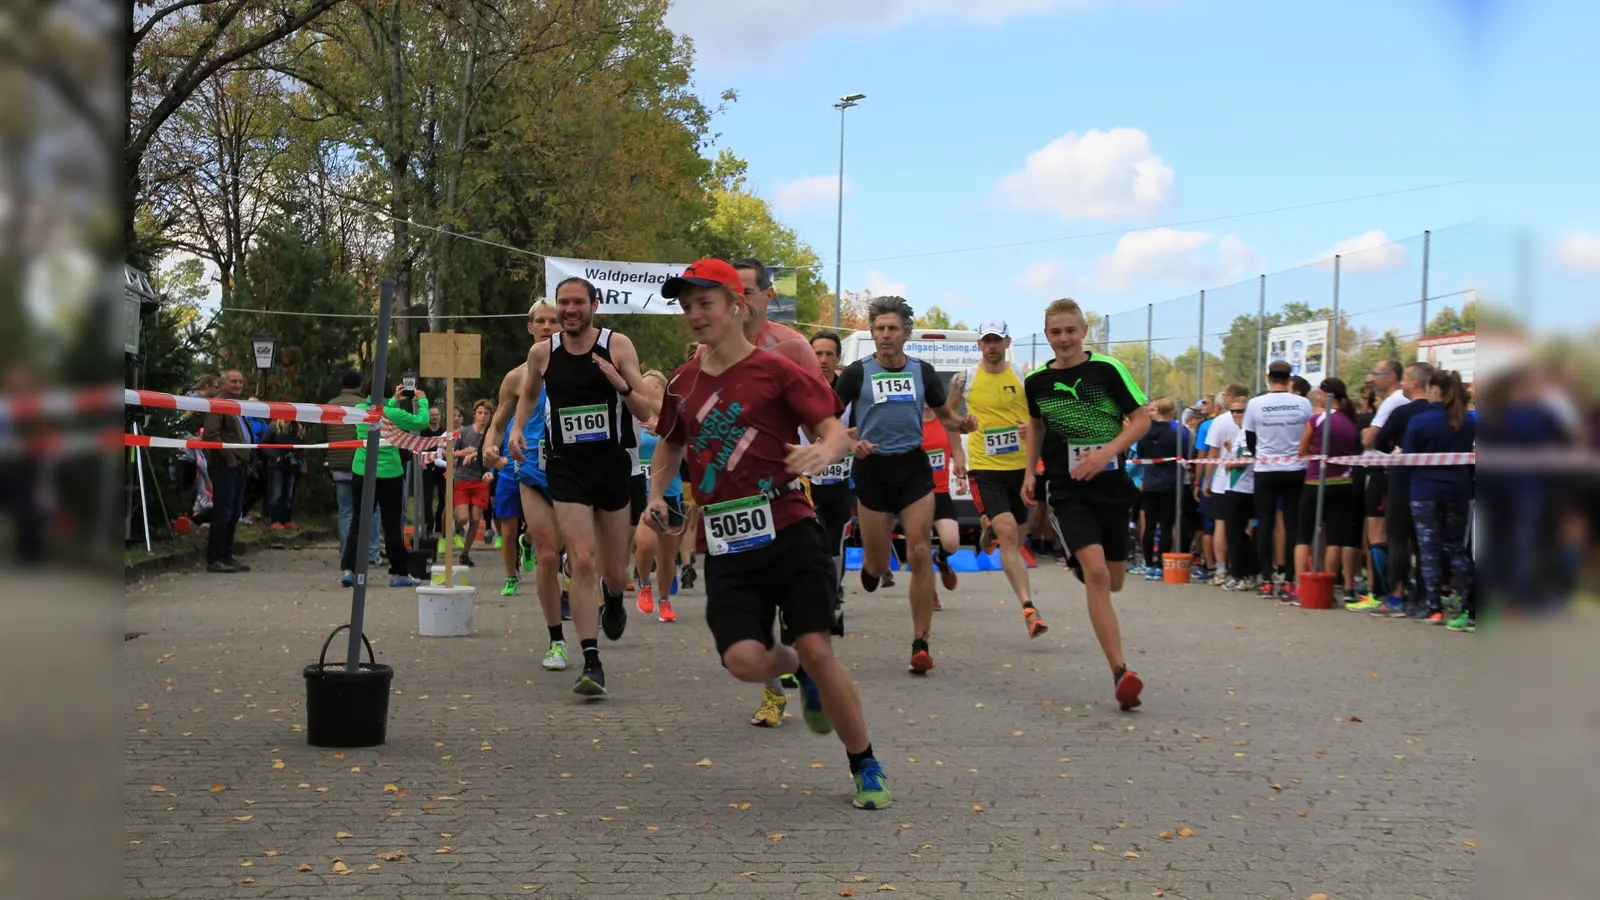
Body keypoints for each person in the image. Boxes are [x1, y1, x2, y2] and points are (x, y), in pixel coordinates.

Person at [647, 258, 891, 810]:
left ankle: (864, 763)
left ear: (738, 306)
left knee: (818, 646)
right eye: (687, 306)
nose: (694, 315)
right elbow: (670, 443)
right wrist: (656, 494)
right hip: (726, 541)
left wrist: (821, 452)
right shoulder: (683, 382)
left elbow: (833, 432)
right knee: (743, 661)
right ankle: (794, 668)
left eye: (704, 304)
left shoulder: (778, 370)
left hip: (788, 525)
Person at [509, 276, 657, 697]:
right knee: (583, 559)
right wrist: (519, 428)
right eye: (563, 303)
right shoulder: (542, 354)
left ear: (594, 305)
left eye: (578, 302)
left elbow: (644, 407)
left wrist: (620, 382)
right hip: (566, 467)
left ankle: (614, 597)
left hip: (612, 466)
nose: (570, 310)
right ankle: (592, 660)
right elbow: (529, 394)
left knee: (613, 571)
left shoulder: (617, 345)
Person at [833, 295, 977, 676]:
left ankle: (920, 643)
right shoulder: (856, 374)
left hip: (912, 469)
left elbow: (945, 415)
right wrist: (850, 443)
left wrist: (962, 424)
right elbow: (826, 422)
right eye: (879, 328)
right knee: (878, 566)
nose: (885, 335)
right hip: (872, 470)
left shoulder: (923, 371)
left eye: (892, 328)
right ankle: (871, 565)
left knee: (917, 551)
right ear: (872, 332)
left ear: (906, 333)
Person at [1022, 298, 1151, 712]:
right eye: (1056, 332)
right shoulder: (1037, 381)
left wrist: (1105, 452)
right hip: (1066, 488)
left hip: (1112, 486)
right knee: (1097, 575)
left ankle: (1082, 560)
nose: (1064, 339)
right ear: (1047, 336)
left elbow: (1143, 418)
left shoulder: (1107, 370)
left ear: (1083, 332)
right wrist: (1030, 472)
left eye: (1070, 331)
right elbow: (1038, 426)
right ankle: (1121, 672)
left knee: (1113, 580)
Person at [946, 319, 1046, 638]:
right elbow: (948, 417)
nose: (991, 346)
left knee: (1014, 535)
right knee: (1008, 535)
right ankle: (1029, 607)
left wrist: (1031, 430)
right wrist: (960, 442)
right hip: (985, 467)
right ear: (979, 344)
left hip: (1019, 469)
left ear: (1007, 343)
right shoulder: (965, 379)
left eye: (997, 340)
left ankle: (985, 535)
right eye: (986, 340)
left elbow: (1039, 418)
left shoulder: (1022, 376)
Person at [486, 300, 572, 670]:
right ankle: (557, 642)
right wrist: (491, 444)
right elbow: (498, 422)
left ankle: (604, 597)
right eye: (541, 321)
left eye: (554, 321)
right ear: (530, 327)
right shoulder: (516, 377)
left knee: (580, 559)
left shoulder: (580, 367)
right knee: (548, 555)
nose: (548, 327)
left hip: (574, 471)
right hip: (531, 472)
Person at [1350, 362, 1433, 614]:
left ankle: (1396, 596)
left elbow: (1378, 442)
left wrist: (1395, 448)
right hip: (1431, 482)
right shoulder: (1442, 412)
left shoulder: (1401, 411)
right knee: (1423, 542)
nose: (1403, 385)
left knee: (1398, 538)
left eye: (1406, 380)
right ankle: (1425, 599)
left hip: (1400, 479)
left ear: (1414, 383)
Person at [1403, 369, 1476, 626]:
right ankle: (1469, 605)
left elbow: (1408, 457)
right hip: (1459, 490)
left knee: (1429, 550)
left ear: (1434, 390)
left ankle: (1434, 608)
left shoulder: (1420, 422)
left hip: (1425, 491)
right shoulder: (1468, 421)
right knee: (1458, 549)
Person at [339, 379, 429, 588]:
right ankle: (398, 573)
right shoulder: (393, 414)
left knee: (358, 522)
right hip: (390, 474)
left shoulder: (360, 410)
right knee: (392, 525)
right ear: (389, 393)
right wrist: (422, 400)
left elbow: (379, 416)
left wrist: (392, 402)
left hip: (362, 470)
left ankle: (349, 569)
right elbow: (422, 421)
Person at [1241, 361, 1312, 600]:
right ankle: (1290, 580)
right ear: (1290, 378)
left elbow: (1250, 438)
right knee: (1293, 524)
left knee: (1265, 523)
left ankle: (1267, 581)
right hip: (1295, 468)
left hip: (1266, 468)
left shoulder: (1255, 404)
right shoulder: (1303, 403)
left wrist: (1262, 454)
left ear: (1268, 377)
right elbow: (1309, 433)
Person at [1293, 378, 1362, 604]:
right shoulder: (1351, 422)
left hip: (1316, 482)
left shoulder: (1317, 419)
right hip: (1343, 483)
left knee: (1303, 535)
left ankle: (1301, 587)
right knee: (1335, 538)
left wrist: (1311, 448)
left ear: (1325, 395)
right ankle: (1327, 588)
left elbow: (1302, 449)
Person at [632, 370, 686, 625]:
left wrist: (664, 431)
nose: (648, 391)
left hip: (670, 492)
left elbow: (686, 452)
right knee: (645, 543)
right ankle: (644, 584)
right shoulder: (633, 417)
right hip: (641, 491)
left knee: (666, 555)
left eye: (653, 387)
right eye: (644, 387)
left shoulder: (671, 419)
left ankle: (664, 599)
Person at [1203, 384, 1258, 591]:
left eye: (1240, 412)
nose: (1235, 415)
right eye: (1233, 411)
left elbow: (1249, 457)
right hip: (1232, 486)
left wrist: (1231, 463)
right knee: (1236, 533)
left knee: (1238, 534)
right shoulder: (1240, 430)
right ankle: (1243, 572)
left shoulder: (1248, 431)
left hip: (1243, 487)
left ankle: (1242, 574)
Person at [327, 369, 381, 566]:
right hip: (362, 462)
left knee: (345, 511)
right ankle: (372, 552)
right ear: (359, 385)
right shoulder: (363, 406)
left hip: (338, 463)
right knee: (372, 510)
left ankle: (347, 552)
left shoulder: (331, 405)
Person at [201, 369, 252, 574]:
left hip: (240, 465)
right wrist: (230, 459)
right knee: (223, 512)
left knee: (234, 513)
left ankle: (227, 555)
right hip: (226, 466)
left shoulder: (236, 405)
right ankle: (215, 558)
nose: (238, 385)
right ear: (222, 383)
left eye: (240, 381)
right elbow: (211, 435)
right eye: (233, 381)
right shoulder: (218, 404)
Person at [1135, 398, 1190, 580]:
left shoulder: (1144, 430)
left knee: (1149, 524)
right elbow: (1184, 455)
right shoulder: (1179, 431)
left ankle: (1149, 563)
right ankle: (1160, 565)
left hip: (1150, 482)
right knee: (1167, 524)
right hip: (1171, 482)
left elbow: (1141, 454)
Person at [921, 402, 964, 610]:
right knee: (921, 546)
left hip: (941, 492)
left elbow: (957, 451)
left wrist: (960, 471)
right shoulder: (909, 422)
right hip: (916, 495)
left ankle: (941, 559)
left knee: (952, 543)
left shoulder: (945, 422)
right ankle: (930, 593)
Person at [451, 400, 493, 567]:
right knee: (463, 517)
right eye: (480, 413)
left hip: (480, 479)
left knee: (475, 518)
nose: (483, 416)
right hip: (462, 478)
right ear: (475, 414)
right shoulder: (464, 432)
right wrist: (464, 452)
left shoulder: (491, 435)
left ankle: (465, 553)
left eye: (486, 414)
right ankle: (456, 529)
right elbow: (451, 453)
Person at [262, 418, 305, 530]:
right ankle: (274, 520)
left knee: (288, 495)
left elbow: (301, 447)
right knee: (276, 494)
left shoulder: (297, 428)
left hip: (291, 466)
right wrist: (275, 456)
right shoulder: (273, 427)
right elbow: (264, 445)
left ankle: (286, 519)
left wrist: (301, 461)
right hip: (276, 465)